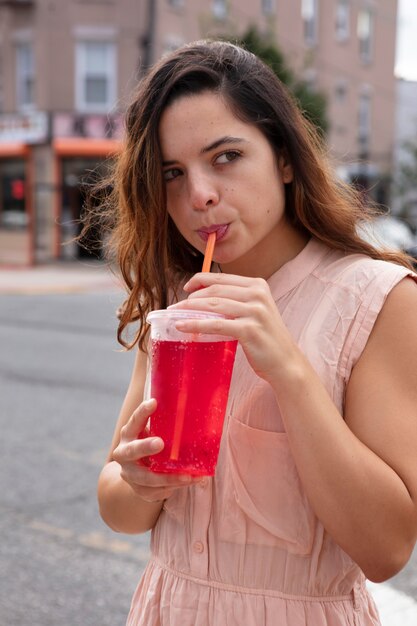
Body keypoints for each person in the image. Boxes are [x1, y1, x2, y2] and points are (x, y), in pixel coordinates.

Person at [94, 40, 417, 625]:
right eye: (171, 173)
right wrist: (138, 481)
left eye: (225, 157)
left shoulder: (378, 300)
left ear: (285, 157)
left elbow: (387, 549)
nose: (198, 196)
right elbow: (119, 508)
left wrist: (290, 371)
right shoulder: (176, 300)